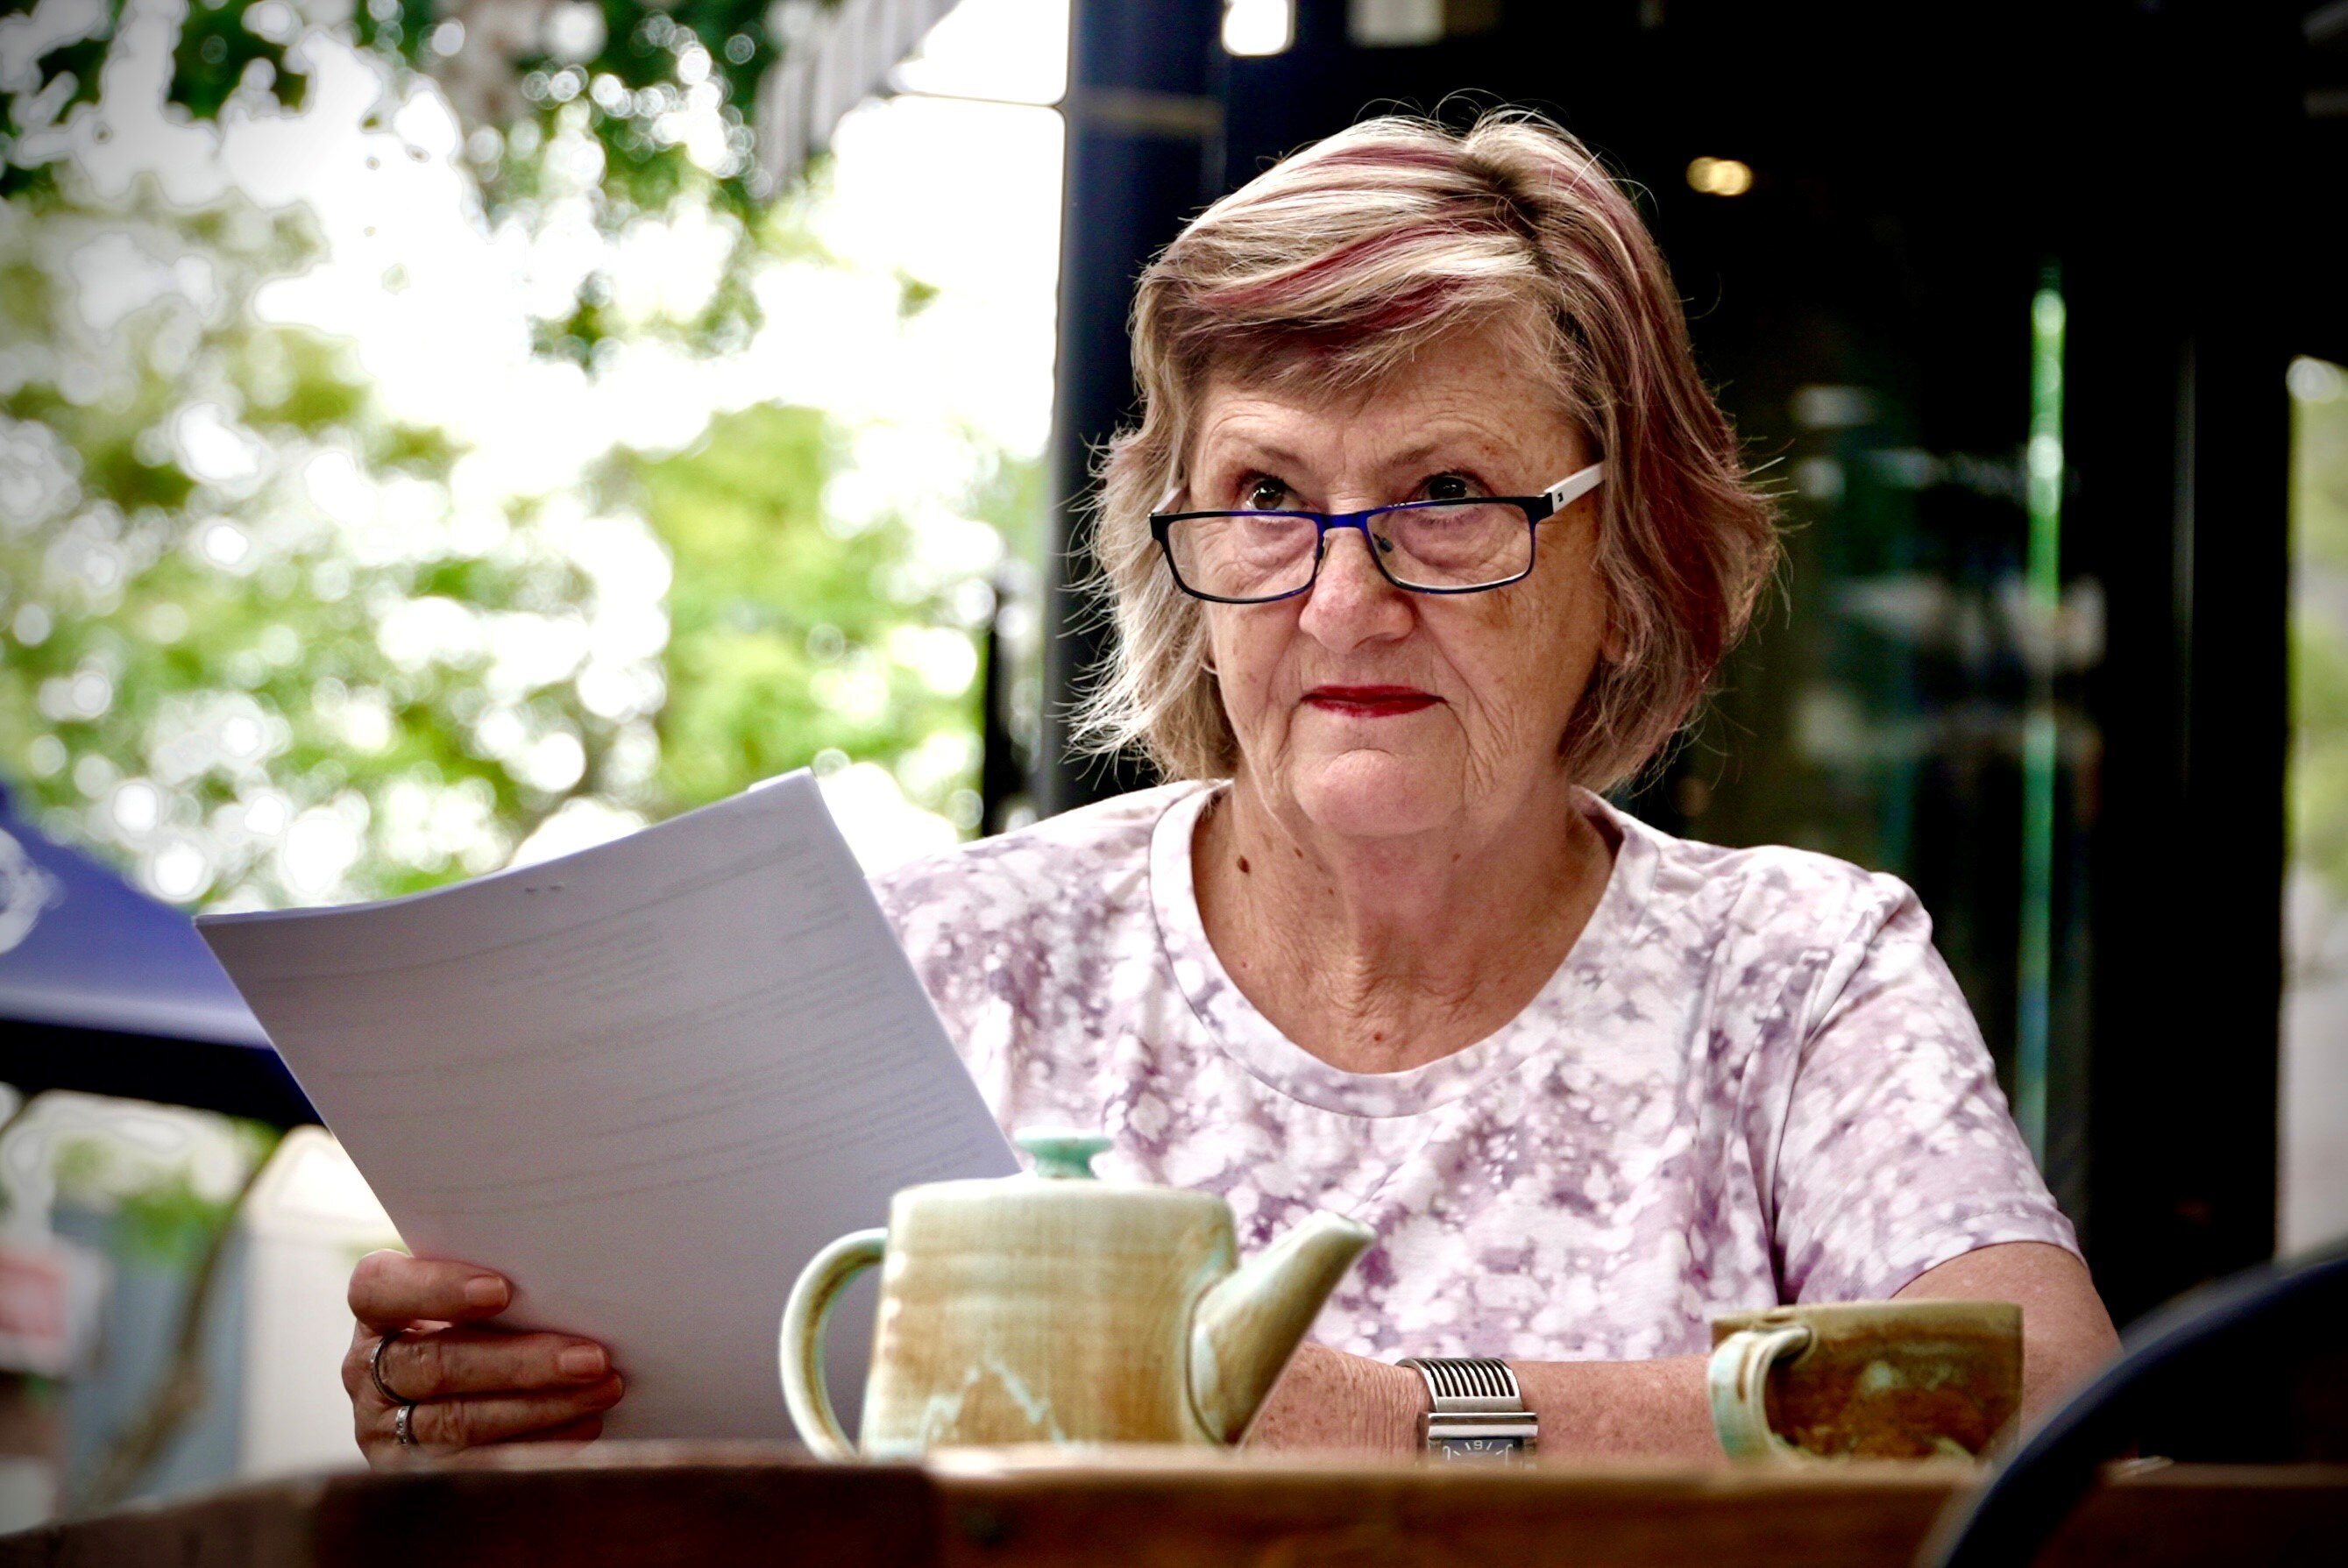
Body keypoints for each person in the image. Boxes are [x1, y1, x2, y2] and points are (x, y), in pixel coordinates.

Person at [341, 111, 2117, 1464]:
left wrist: (1414, 1418)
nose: (1343, 599)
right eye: (1266, 498)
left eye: (1446, 493)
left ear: (1627, 559)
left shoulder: (1790, 977)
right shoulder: (950, 962)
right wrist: (498, 1399)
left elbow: (2041, 1394)